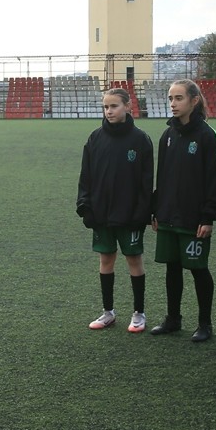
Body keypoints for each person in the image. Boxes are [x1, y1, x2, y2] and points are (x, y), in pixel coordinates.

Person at [150, 79, 216, 341]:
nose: (173, 103)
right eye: (170, 98)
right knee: (172, 267)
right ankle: (173, 319)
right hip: (169, 214)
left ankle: (205, 324)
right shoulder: (167, 135)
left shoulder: (208, 136)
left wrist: (209, 217)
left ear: (194, 101)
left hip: (194, 219)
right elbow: (163, 176)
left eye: (179, 98)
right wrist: (156, 210)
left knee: (197, 268)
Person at [77, 87, 154, 333]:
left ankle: (139, 313)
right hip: (101, 213)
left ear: (128, 107)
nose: (109, 111)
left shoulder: (140, 139)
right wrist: (84, 205)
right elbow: (85, 176)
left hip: (130, 214)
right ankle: (108, 312)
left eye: (114, 106)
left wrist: (143, 212)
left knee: (134, 260)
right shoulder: (95, 138)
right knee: (106, 259)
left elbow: (146, 181)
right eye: (105, 107)